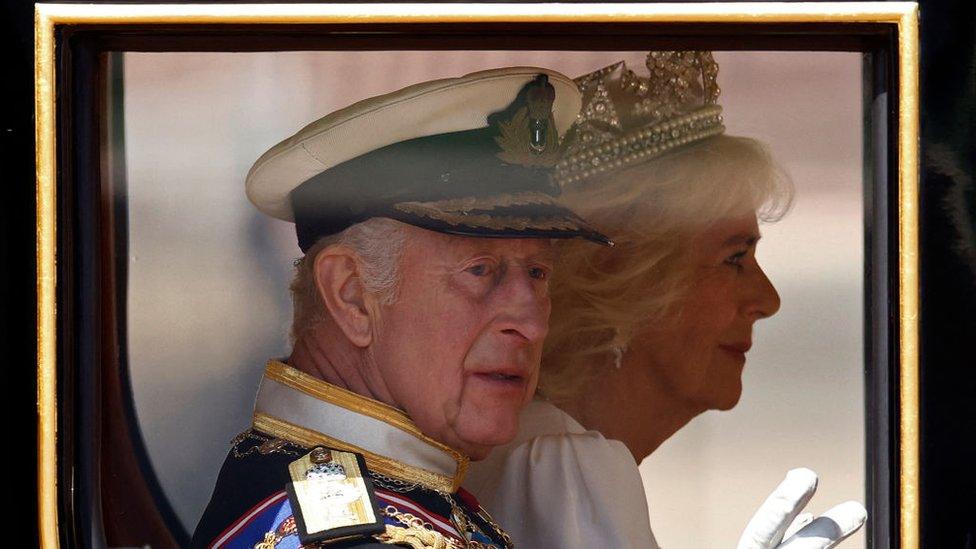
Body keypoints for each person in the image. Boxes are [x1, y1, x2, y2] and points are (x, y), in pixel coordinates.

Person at [190, 66, 612, 549]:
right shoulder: (349, 536)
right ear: (352, 295)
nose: (533, 324)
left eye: (538, 274)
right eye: (480, 271)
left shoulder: (387, 490)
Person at [465, 52, 867, 548]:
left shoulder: (536, 453)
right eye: (735, 258)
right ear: (627, 279)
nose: (768, 299)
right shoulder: (567, 469)